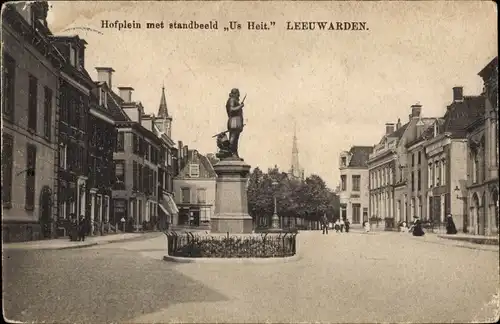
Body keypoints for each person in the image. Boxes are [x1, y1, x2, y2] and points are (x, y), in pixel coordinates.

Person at [226, 88, 245, 158]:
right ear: (235, 94)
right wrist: (240, 106)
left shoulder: (233, 100)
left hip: (236, 122)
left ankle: (234, 153)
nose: (239, 96)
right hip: (234, 122)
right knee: (233, 138)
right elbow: (232, 109)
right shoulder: (232, 100)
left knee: (235, 138)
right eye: (238, 94)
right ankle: (231, 152)